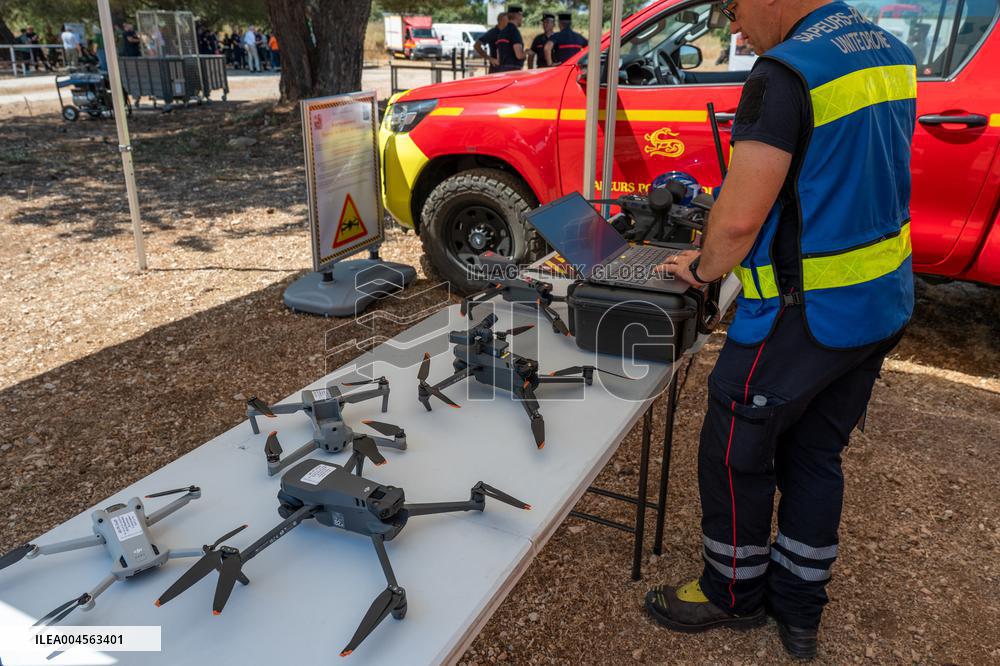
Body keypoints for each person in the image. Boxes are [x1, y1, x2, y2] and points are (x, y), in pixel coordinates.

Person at [644, 0, 916, 660]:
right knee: (815, 454)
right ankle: (799, 611)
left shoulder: (784, 72)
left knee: (735, 449)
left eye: (735, 9)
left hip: (805, 313)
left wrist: (704, 269)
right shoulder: (885, 50)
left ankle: (731, 592)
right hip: (878, 301)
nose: (734, 28)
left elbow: (738, 222)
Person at [493, 5, 526, 72]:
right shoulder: (514, 31)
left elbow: (498, 56)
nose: (522, 18)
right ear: (517, 15)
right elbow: (519, 55)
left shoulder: (502, 32)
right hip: (513, 70)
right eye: (521, 15)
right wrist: (527, 53)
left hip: (501, 69)